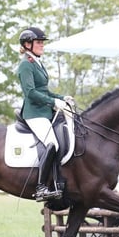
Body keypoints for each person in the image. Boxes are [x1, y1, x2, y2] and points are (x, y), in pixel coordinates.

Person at [17, 26, 74, 202]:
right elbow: (31, 93)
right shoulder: (26, 64)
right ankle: (41, 187)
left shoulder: (36, 62)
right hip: (34, 113)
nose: (42, 45)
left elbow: (44, 90)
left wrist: (61, 97)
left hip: (45, 112)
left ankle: (58, 181)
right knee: (52, 144)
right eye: (39, 42)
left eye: (42, 42)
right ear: (27, 44)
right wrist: (53, 102)